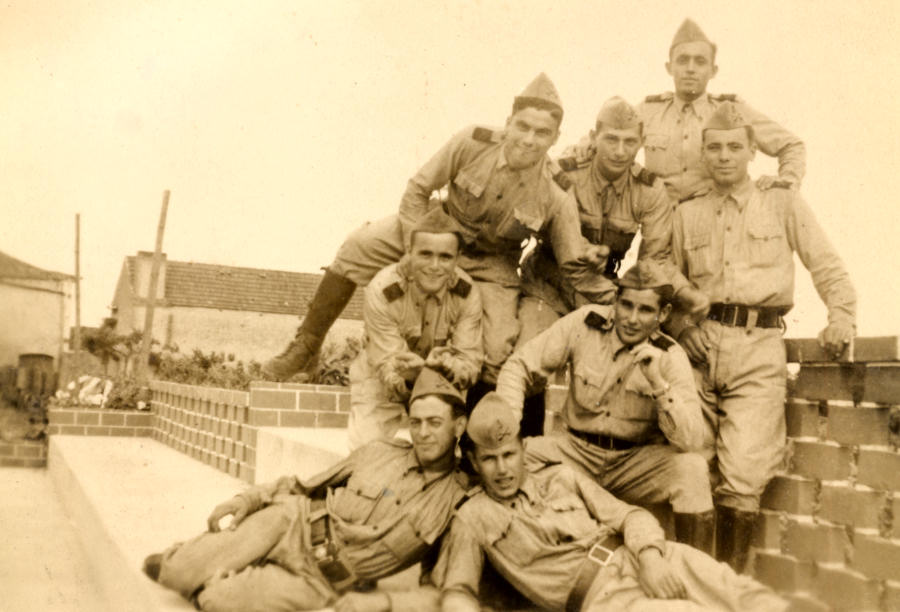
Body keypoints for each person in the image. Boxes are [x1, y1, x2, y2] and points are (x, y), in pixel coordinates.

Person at [264, 73, 608, 386]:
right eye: (523, 127)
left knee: (496, 347)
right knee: (358, 246)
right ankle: (307, 345)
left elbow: (573, 262)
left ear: (555, 138)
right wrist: (414, 249)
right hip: (438, 231)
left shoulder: (556, 192)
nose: (529, 140)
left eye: (542, 133)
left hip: (492, 262)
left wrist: (610, 290)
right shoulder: (473, 142)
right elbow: (417, 190)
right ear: (508, 123)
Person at [669, 101, 856, 572]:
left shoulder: (781, 201)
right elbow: (665, 281)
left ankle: (727, 591)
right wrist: (682, 328)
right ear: (703, 153)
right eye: (714, 148)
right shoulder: (686, 213)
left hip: (757, 347)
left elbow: (826, 265)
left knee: (742, 476)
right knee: (691, 467)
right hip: (698, 350)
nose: (724, 156)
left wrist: (841, 317)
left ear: (753, 151)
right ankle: (692, 591)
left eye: (735, 147)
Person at [142, 367, 469, 612]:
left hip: (323, 579)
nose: (423, 433)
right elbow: (303, 485)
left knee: (216, 601)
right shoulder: (379, 451)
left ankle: (231, 567)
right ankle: (192, 557)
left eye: (434, 422)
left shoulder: (457, 501)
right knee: (175, 573)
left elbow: (437, 590)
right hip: (291, 523)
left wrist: (385, 603)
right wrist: (248, 498)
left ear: (459, 425)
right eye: (416, 422)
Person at [435, 393, 787, 611]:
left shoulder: (560, 477)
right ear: (474, 462)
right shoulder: (473, 517)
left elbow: (629, 515)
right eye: (490, 459)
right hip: (604, 598)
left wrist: (649, 557)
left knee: (742, 592)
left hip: (644, 556)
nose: (502, 469)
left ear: (523, 450)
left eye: (509, 455)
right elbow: (458, 591)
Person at [497, 261, 714, 553]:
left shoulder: (670, 355)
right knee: (511, 459)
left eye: (645, 310)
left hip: (633, 463)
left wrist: (659, 385)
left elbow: (691, 441)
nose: (632, 319)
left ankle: (695, 566)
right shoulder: (584, 324)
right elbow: (519, 366)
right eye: (626, 305)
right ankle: (511, 558)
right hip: (575, 452)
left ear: (663, 314)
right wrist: (508, 426)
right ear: (615, 301)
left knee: (692, 470)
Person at [519, 96, 707, 343]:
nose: (620, 151)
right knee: (533, 347)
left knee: (617, 354)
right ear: (594, 137)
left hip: (602, 290)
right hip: (546, 286)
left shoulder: (650, 190)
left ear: (641, 142)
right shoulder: (565, 173)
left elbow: (654, 259)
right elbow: (538, 225)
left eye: (629, 142)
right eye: (611, 139)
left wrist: (685, 291)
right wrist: (583, 249)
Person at [568, 18, 806, 202]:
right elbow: (607, 133)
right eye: (683, 61)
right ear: (669, 67)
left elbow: (791, 145)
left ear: (713, 71)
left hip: (715, 227)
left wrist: (787, 181)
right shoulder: (649, 111)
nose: (690, 69)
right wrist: (581, 147)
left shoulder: (732, 112)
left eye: (700, 62)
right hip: (662, 226)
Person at [347, 207, 483, 450]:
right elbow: (386, 365)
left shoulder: (467, 293)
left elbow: (469, 362)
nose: (434, 266)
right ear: (409, 252)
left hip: (440, 378)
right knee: (366, 453)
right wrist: (412, 377)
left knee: (443, 453)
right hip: (384, 377)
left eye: (445, 257)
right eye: (425, 254)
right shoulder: (383, 289)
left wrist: (444, 368)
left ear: (458, 258)